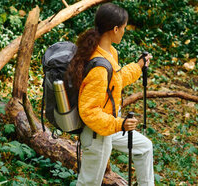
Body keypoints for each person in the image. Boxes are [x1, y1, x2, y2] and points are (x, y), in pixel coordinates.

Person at [66, 3, 154, 186]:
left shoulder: (108, 52)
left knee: (144, 147)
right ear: (115, 29)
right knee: (89, 183)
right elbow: (89, 111)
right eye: (124, 28)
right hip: (96, 132)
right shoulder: (99, 66)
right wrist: (120, 124)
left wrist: (138, 67)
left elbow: (117, 79)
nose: (124, 31)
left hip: (108, 125)